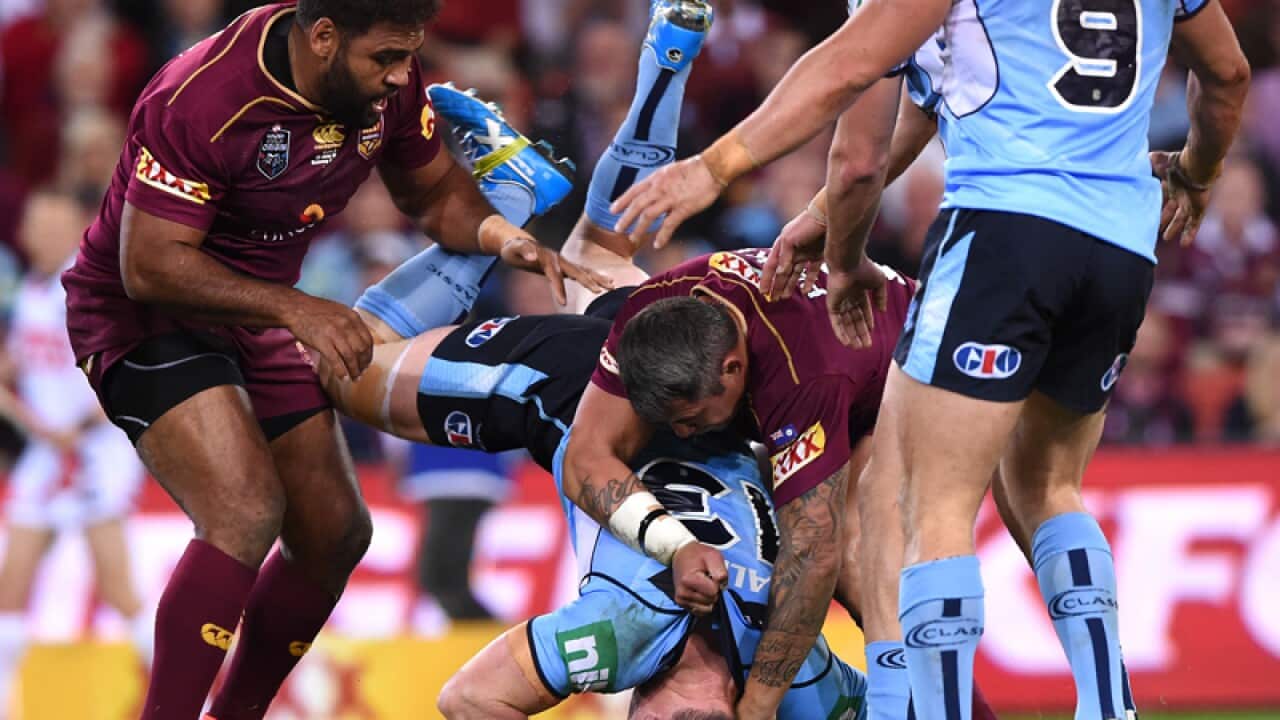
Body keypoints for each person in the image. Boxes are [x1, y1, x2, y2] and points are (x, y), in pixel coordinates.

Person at [607, 0, 1251, 719]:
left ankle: (911, 709)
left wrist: (720, 168)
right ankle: (1109, 706)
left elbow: (856, 111)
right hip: (1121, 248)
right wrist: (1197, 171)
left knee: (918, 496)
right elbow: (1226, 73)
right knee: (1046, 486)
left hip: (1001, 229)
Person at [58, 2, 605, 718]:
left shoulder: (386, 77)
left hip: (259, 312)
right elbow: (151, 265)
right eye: (386, 59)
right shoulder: (201, 97)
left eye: (409, 55)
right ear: (322, 37)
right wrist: (300, 310)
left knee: (336, 534)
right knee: (246, 509)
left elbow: (434, 193)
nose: (404, 76)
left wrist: (503, 235)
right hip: (145, 314)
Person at [317, 72, 871, 720]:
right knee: (340, 369)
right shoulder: (622, 638)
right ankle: (507, 197)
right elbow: (467, 700)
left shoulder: (795, 665)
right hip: (576, 387)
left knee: (600, 251)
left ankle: (668, 58)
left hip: (678, 376)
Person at [0, 192, 149, 718]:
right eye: (37, 222)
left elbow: (127, 365)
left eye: (56, 223)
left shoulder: (88, 286)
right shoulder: (30, 291)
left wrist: (76, 427)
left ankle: (184, 694)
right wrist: (34, 421)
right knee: (11, 581)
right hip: (47, 451)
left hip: (96, 449)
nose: (45, 233)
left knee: (117, 586)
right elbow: (18, 369)